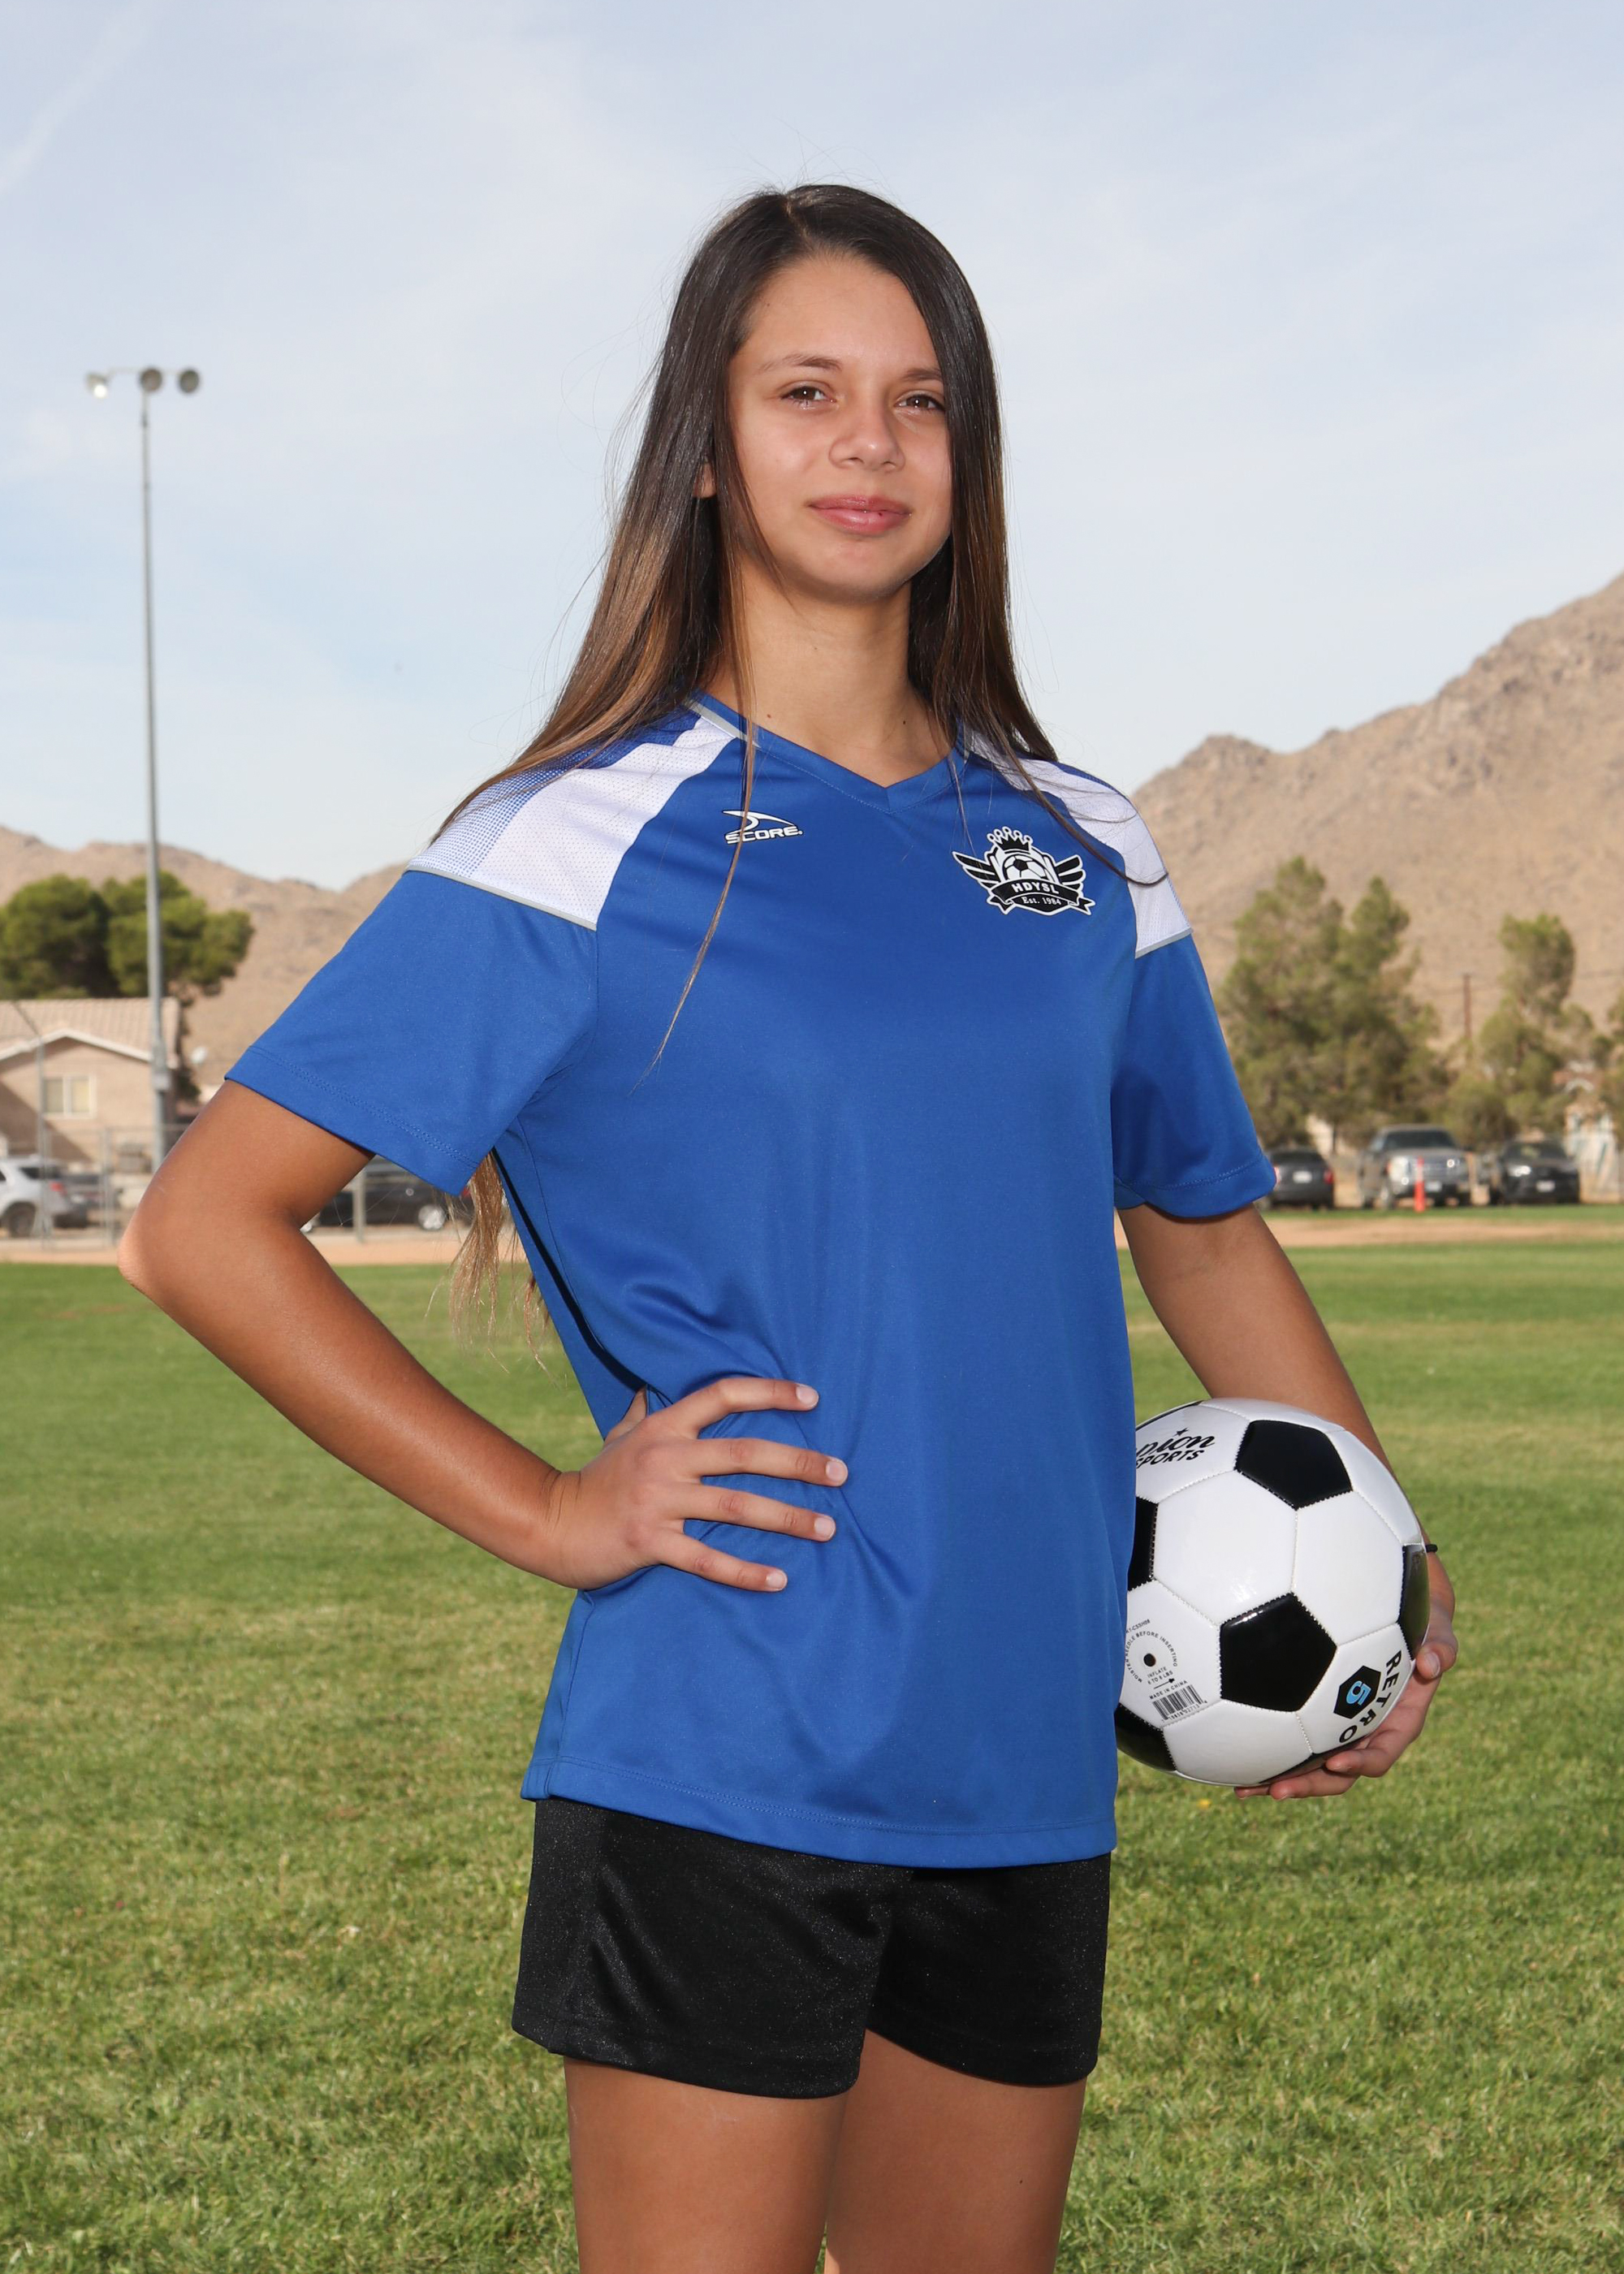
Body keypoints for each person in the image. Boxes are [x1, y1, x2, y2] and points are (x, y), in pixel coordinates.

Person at [119, 184, 1458, 2274]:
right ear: (706, 444)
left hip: (1020, 1752)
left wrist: (1387, 1568)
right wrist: (551, 1507)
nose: (868, 443)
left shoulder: (1081, 847)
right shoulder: (572, 837)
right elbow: (205, 1223)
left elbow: (1198, 1230)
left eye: (919, 400)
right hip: (722, 1737)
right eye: (807, 392)